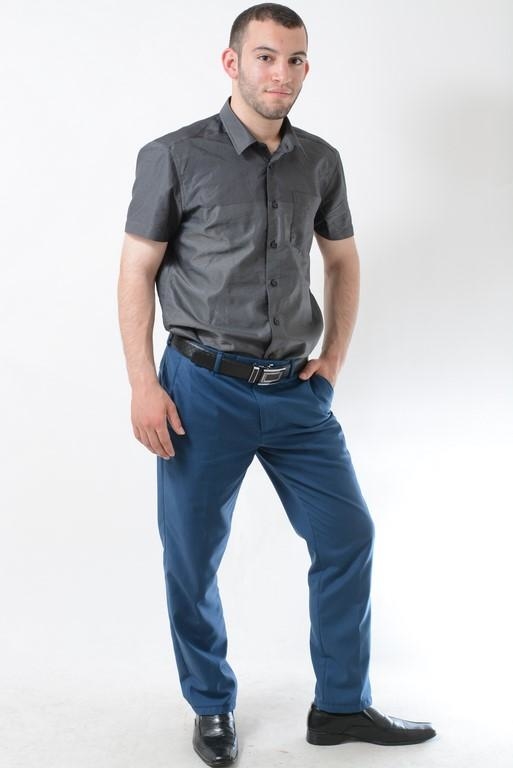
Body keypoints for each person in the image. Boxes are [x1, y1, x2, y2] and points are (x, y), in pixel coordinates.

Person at [117, 3, 436, 765]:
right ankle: (211, 706)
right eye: (265, 56)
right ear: (231, 63)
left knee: (347, 535)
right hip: (199, 389)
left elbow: (341, 260)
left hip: (295, 391)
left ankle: (340, 705)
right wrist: (142, 385)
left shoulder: (319, 161)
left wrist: (332, 363)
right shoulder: (173, 156)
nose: (280, 73)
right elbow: (135, 269)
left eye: (294, 59)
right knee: (193, 557)